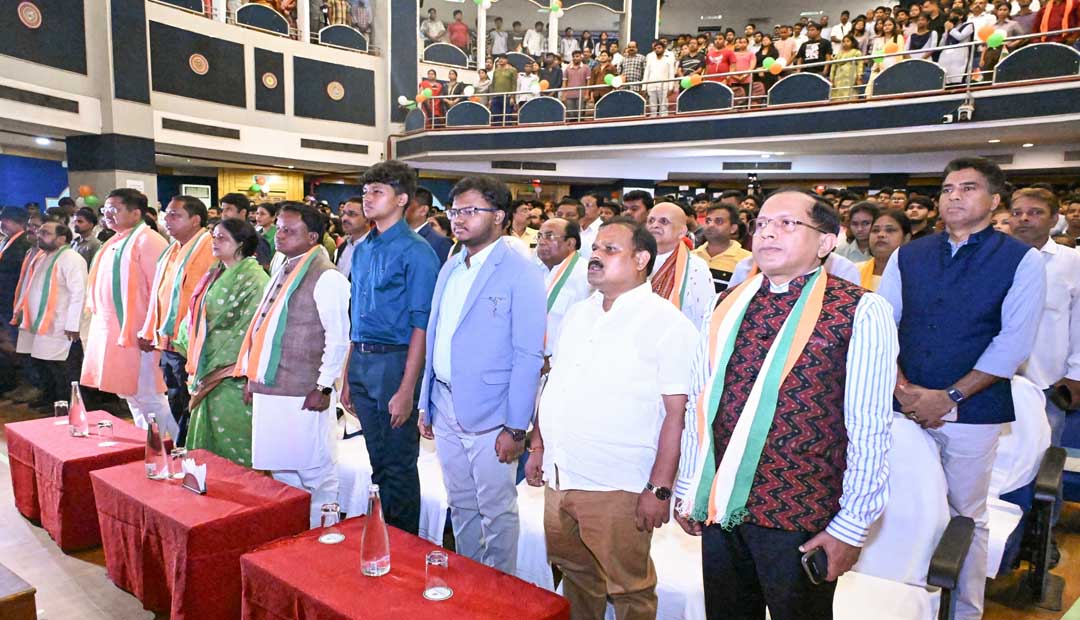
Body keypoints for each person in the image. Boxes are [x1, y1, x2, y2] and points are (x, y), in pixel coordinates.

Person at [675, 189, 897, 620]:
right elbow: (698, 405)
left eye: (787, 223)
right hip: (722, 504)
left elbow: (870, 427)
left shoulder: (860, 310)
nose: (768, 233)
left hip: (800, 512)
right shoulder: (727, 304)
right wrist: (689, 486)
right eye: (761, 224)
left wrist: (851, 527)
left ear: (826, 241)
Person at [877, 157, 1045, 620]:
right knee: (898, 503)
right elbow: (882, 327)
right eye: (947, 188)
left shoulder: (1020, 259)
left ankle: (964, 612)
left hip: (973, 410)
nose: (953, 196)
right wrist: (903, 389)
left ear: (994, 201)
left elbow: (1013, 343)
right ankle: (903, 597)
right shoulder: (910, 255)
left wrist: (948, 397)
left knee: (965, 515)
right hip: (901, 403)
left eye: (968, 188)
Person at [527, 217, 697, 619]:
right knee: (575, 574)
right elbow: (555, 383)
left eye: (610, 249)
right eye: (595, 248)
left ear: (641, 259)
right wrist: (538, 445)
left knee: (630, 590)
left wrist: (659, 489)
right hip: (561, 473)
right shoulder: (579, 313)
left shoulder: (668, 324)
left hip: (617, 483)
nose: (596, 256)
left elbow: (678, 415)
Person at [418, 175, 546, 574]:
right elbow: (436, 335)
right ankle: (469, 578)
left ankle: (498, 588)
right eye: (455, 210)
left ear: (500, 216)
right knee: (460, 503)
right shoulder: (452, 265)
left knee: (496, 509)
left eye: (471, 210)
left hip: (492, 410)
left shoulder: (521, 270)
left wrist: (516, 427)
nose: (459, 218)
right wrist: (426, 402)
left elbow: (528, 355)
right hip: (444, 401)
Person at [237, 202, 350, 528]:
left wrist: (323, 386)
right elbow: (264, 328)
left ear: (312, 236)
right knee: (282, 468)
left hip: (304, 391)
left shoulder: (327, 276)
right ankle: (298, 536)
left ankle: (324, 535)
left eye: (290, 230)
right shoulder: (283, 266)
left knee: (316, 471)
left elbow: (338, 338)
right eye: (280, 228)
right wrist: (253, 379)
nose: (280, 235)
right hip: (272, 387)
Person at [345, 161, 440, 535]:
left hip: (395, 362)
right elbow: (356, 316)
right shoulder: (363, 248)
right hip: (362, 360)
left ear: (402, 199)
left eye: (377, 192)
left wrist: (406, 390)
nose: (368, 198)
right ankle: (384, 539)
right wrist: (349, 375)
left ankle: (404, 549)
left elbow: (422, 326)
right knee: (378, 461)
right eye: (365, 191)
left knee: (399, 465)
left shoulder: (417, 252)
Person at [1009, 187, 1080, 535]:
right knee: (1001, 465)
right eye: (1017, 212)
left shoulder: (1072, 263)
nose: (1024, 219)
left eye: (1035, 212)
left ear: (1054, 219)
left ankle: (1042, 538)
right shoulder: (996, 258)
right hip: (995, 381)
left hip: (1047, 383)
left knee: (1046, 463)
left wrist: (1076, 374)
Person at [81, 189, 173, 435]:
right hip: (114, 331)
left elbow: (160, 291)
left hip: (140, 333)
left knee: (149, 395)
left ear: (135, 213)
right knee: (130, 393)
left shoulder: (149, 241)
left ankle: (173, 444)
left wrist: (151, 330)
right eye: (106, 209)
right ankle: (147, 441)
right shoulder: (116, 240)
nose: (108, 214)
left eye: (115, 209)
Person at [183, 219, 269, 466]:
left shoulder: (255, 280)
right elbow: (196, 316)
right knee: (209, 436)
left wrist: (241, 370)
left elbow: (256, 330)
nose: (215, 242)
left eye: (223, 238)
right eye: (214, 236)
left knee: (234, 438)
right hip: (208, 362)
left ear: (241, 243)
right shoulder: (215, 272)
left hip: (233, 373)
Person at [138, 196, 215, 446]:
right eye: (167, 215)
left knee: (188, 400)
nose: (168, 220)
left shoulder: (210, 247)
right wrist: (150, 329)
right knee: (175, 397)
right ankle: (183, 447)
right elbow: (160, 292)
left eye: (175, 215)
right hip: (169, 340)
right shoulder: (173, 248)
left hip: (191, 342)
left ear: (195, 220)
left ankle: (188, 449)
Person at [9, 221, 86, 410]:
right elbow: (29, 287)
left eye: (45, 233)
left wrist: (73, 324)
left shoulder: (72, 258)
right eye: (40, 232)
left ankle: (67, 406)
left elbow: (79, 293)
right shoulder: (42, 257)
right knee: (43, 363)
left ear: (61, 238)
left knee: (62, 368)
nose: (39, 235)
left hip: (60, 324)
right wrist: (20, 312)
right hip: (39, 322)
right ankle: (51, 399)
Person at [647, 202, 715, 330]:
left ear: (682, 231)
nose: (654, 225)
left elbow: (704, 316)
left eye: (664, 221)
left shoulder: (696, 267)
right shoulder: (634, 259)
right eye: (651, 220)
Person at [535, 217, 591, 367]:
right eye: (539, 236)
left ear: (570, 243)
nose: (541, 242)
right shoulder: (532, 269)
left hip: (561, 363)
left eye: (549, 236)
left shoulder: (585, 275)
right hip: (530, 359)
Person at [692, 203, 753, 293]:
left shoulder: (747, 261)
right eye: (708, 221)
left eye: (719, 221)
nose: (711, 225)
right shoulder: (691, 257)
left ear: (733, 228)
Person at [857, 209, 912, 291]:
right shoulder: (855, 271)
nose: (880, 235)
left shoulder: (916, 275)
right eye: (875, 230)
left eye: (890, 230)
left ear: (906, 238)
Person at [220, 193, 273, 268]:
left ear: (243, 212)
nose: (224, 214)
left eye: (228, 209)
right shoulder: (222, 236)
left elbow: (263, 269)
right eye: (222, 210)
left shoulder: (255, 240)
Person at [410, 188, 453, 264]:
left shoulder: (440, 243)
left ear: (423, 210)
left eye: (406, 205)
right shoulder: (397, 237)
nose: (400, 209)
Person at [334, 196, 370, 275]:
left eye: (352, 214)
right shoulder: (343, 246)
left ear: (367, 219)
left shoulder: (376, 250)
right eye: (343, 213)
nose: (344, 218)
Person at [644, 40, 676, 116]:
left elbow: (671, 74)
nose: (657, 50)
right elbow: (646, 74)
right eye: (655, 48)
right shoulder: (651, 59)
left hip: (664, 86)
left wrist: (671, 87)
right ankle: (653, 118)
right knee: (652, 106)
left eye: (659, 48)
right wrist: (644, 87)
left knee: (663, 106)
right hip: (651, 85)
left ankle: (664, 119)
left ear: (664, 49)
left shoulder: (668, 60)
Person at [831, 35, 865, 100]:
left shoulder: (856, 52)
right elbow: (833, 67)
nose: (845, 43)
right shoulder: (838, 54)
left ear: (852, 42)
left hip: (851, 77)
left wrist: (859, 77)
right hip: (838, 78)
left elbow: (860, 65)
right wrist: (831, 79)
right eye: (843, 41)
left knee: (850, 95)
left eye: (848, 41)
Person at [563, 50, 591, 122]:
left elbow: (588, 82)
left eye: (577, 56)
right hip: (569, 96)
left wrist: (587, 94)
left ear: (581, 57)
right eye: (574, 57)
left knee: (580, 116)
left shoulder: (586, 68)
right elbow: (564, 82)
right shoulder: (567, 68)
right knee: (571, 116)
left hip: (581, 95)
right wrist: (564, 94)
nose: (575, 58)